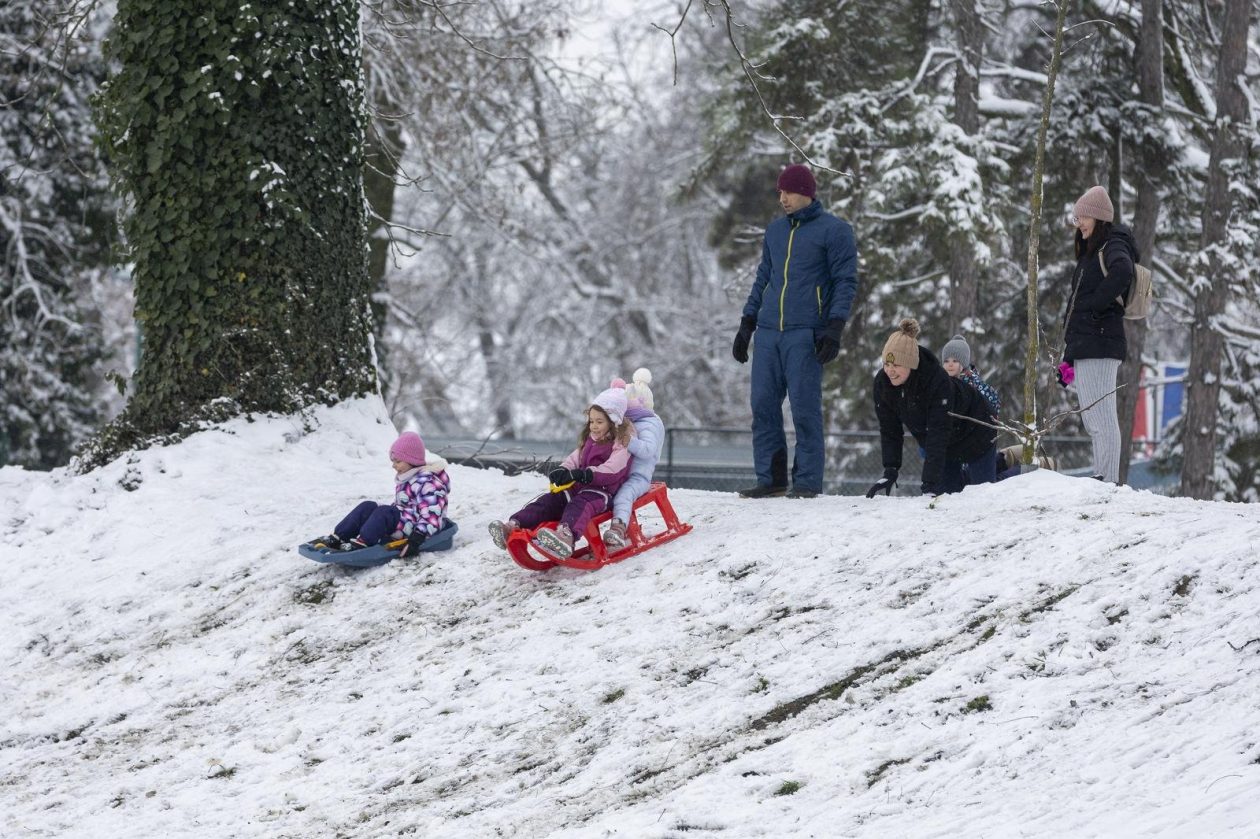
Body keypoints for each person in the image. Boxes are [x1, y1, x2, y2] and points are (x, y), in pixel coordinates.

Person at [731, 163, 858, 499]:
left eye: (788, 192)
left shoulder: (835, 231)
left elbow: (845, 281)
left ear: (806, 193)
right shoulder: (775, 232)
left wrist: (834, 326)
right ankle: (771, 479)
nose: (782, 198)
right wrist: (747, 323)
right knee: (763, 406)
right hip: (768, 332)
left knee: (804, 408)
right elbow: (763, 278)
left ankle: (807, 481)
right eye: (780, 192)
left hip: (806, 332)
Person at [488, 384, 634, 559]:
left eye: (599, 422)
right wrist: (563, 469)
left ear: (613, 422)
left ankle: (566, 536)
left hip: (601, 493)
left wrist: (585, 474)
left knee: (579, 504)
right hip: (578, 487)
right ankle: (512, 525)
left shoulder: (621, 444)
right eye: (591, 421)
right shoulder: (591, 439)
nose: (594, 426)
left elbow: (613, 470)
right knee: (549, 501)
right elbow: (576, 457)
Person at [1060, 185, 1138, 484]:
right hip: (1088, 343)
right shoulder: (1090, 253)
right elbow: (1076, 308)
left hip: (1101, 342)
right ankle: (1102, 477)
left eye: (1083, 217)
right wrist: (1068, 360)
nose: (1078, 223)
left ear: (1098, 217)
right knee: (1093, 417)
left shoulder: (1113, 244)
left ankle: (1107, 481)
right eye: (1076, 217)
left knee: (1101, 416)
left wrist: (1095, 305)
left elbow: (1123, 270)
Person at [867, 319, 997, 497]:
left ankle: (1011, 473)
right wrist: (890, 470)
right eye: (886, 364)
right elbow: (890, 430)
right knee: (945, 499)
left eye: (896, 365)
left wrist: (929, 485)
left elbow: (937, 432)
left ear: (911, 364)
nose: (890, 371)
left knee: (982, 496)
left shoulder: (936, 382)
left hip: (977, 434)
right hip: (946, 446)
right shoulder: (883, 384)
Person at [310, 431, 451, 556]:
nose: (393, 465)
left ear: (411, 460)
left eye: (398, 461)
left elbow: (432, 516)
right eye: (393, 461)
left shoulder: (428, 483)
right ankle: (339, 537)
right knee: (368, 506)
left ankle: (362, 543)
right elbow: (403, 506)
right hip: (406, 522)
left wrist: (416, 539)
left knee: (385, 512)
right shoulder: (408, 477)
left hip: (419, 529)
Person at [605, 368, 664, 551]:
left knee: (624, 494)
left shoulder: (649, 424)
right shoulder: (631, 423)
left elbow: (648, 450)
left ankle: (618, 527)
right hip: (621, 473)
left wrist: (629, 442)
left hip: (638, 477)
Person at [940, 334, 1000, 419]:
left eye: (955, 361)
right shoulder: (941, 383)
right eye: (946, 361)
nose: (950, 364)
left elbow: (992, 405)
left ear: (963, 363)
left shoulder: (974, 384)